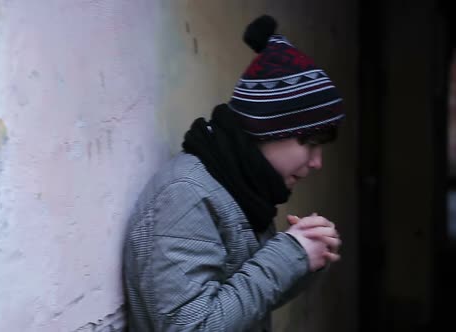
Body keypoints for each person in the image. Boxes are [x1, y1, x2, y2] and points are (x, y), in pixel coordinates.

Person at [122, 15, 344, 332]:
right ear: (270, 127)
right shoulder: (186, 195)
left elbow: (243, 307)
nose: (317, 162)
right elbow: (191, 326)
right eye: (310, 143)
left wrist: (305, 258)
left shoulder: (240, 187)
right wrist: (289, 255)